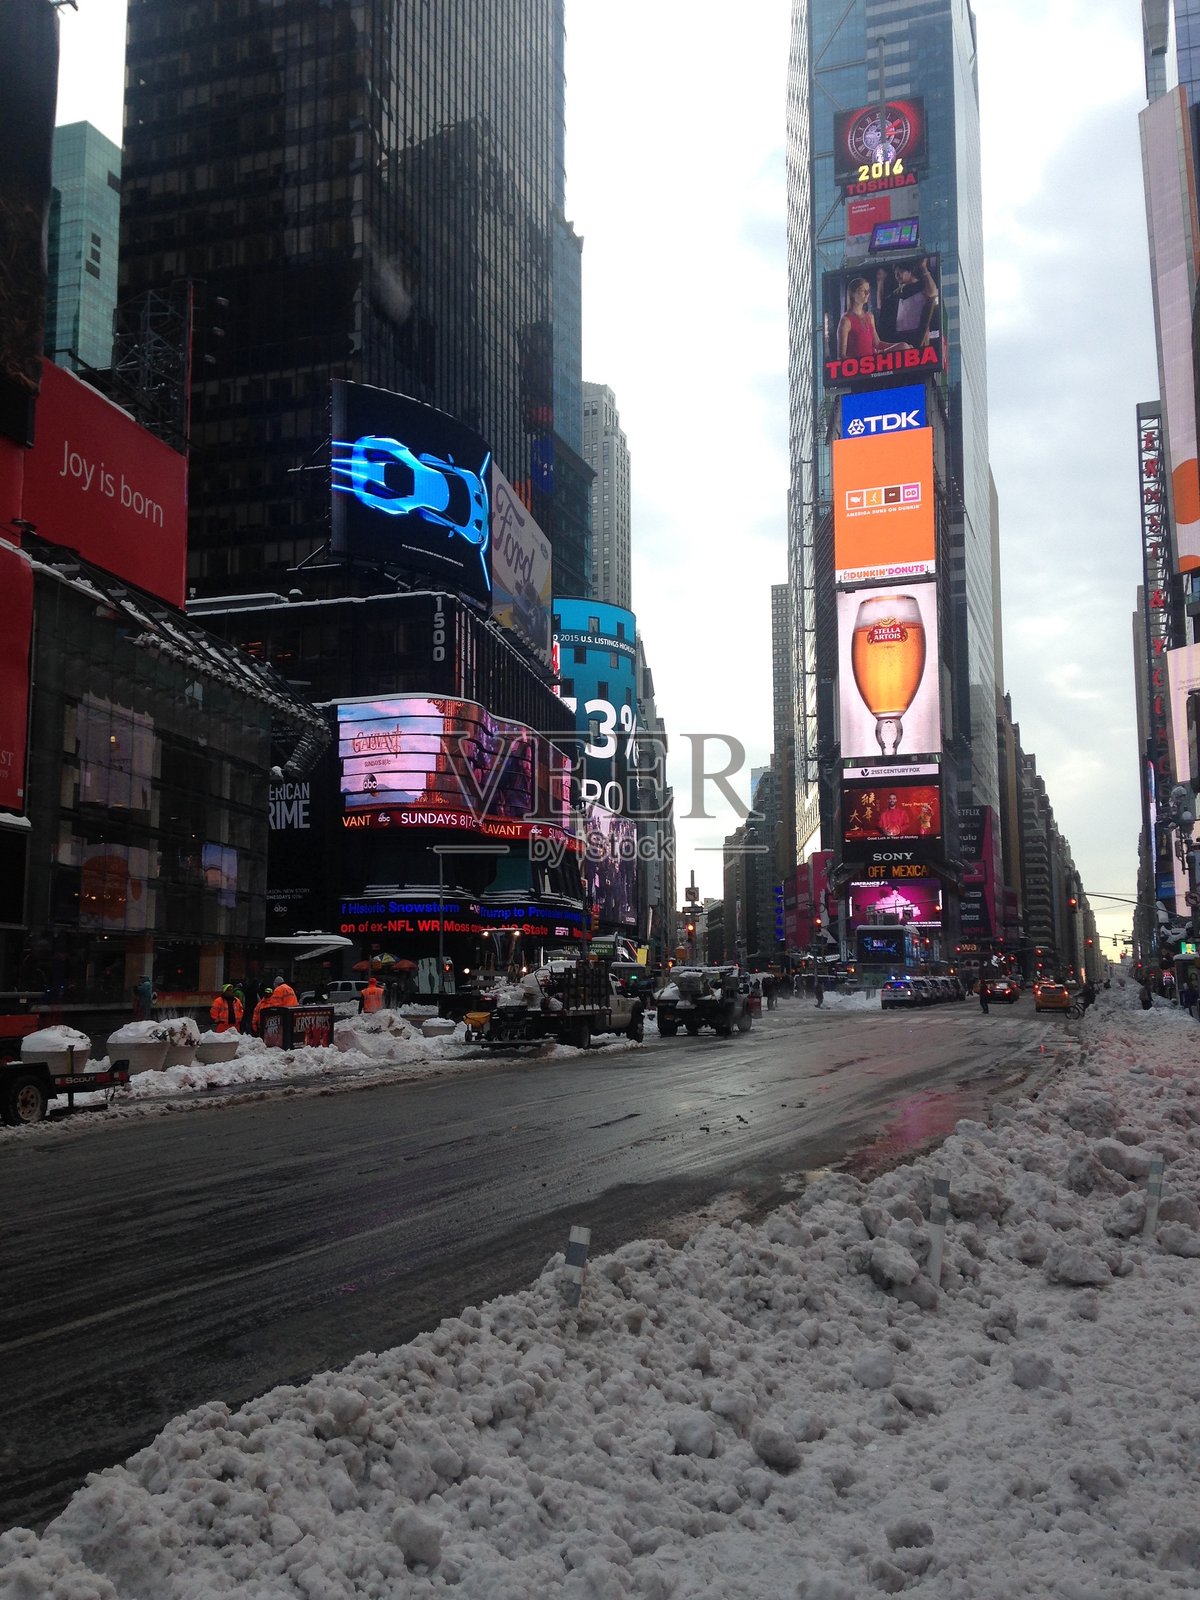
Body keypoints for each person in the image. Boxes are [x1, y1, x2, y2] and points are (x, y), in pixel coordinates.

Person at [836, 277, 904, 363]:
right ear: (852, 294)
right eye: (862, 290)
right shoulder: (846, 321)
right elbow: (841, 356)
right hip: (863, 364)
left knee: (905, 346)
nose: (867, 293)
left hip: (874, 360)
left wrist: (899, 346)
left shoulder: (869, 316)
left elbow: (877, 343)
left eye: (868, 290)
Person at [876, 257, 939, 348]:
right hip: (899, 335)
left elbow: (932, 292)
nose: (897, 275)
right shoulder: (897, 293)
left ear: (910, 271)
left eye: (901, 271)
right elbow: (882, 308)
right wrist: (880, 282)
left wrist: (924, 268)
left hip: (918, 334)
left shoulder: (922, 286)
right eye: (896, 273)